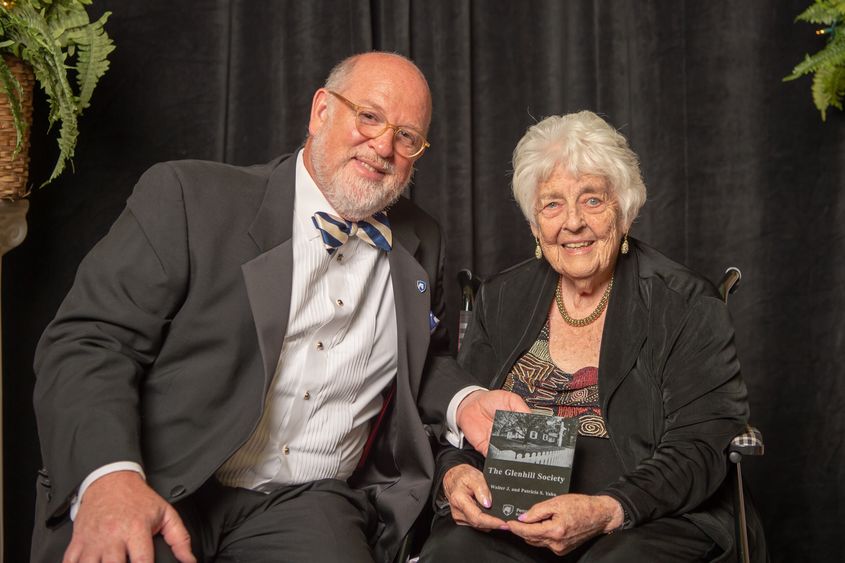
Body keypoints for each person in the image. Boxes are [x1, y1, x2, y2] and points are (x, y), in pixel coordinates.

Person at [31, 51, 527, 563]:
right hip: (164, 478)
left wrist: (466, 400)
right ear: (321, 112)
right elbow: (88, 341)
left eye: (406, 136)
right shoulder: (190, 197)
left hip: (305, 502)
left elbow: (424, 358)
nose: (383, 146)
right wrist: (110, 476)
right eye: (370, 116)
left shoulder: (422, 237)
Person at [420, 111, 767, 562]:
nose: (573, 223)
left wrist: (607, 510)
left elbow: (701, 445)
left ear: (624, 212)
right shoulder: (501, 298)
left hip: (648, 517)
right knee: (453, 552)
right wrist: (455, 476)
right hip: (518, 515)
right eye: (552, 205)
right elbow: (464, 424)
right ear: (533, 225)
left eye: (592, 201)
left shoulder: (685, 303)